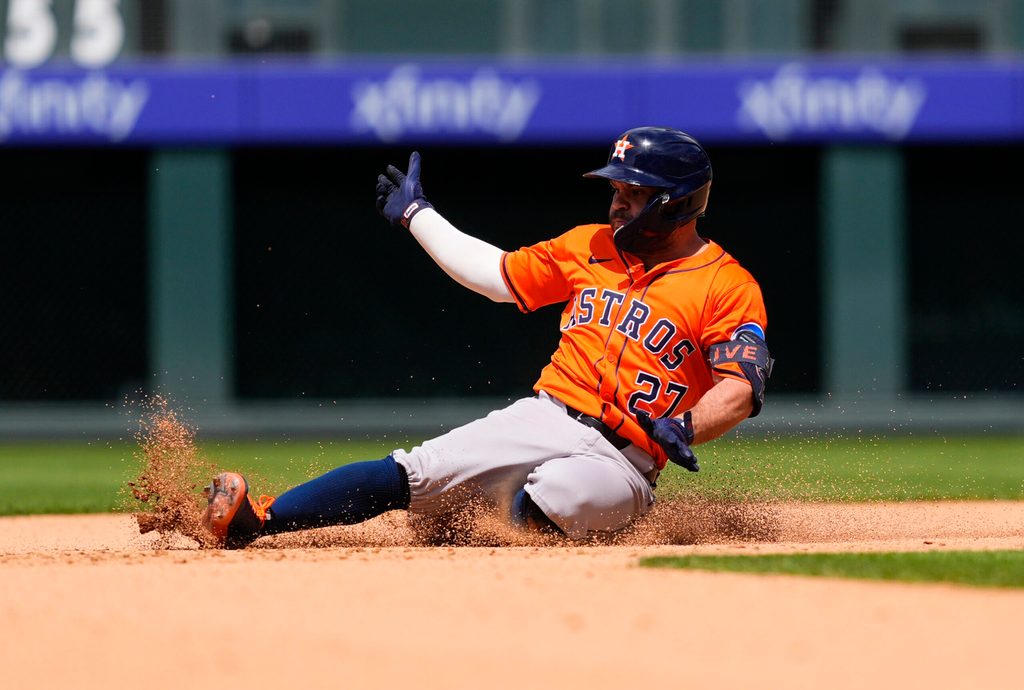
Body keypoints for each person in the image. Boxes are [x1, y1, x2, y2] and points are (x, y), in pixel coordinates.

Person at [202, 126, 773, 548]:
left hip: (624, 460)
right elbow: (498, 276)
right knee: (412, 471)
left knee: (562, 494)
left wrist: (690, 426)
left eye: (633, 190)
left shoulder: (726, 284)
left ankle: (485, 532)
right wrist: (418, 216)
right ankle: (258, 520)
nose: (617, 198)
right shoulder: (588, 244)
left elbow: (740, 388)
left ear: (675, 202)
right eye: (617, 186)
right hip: (546, 415)